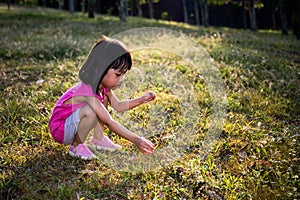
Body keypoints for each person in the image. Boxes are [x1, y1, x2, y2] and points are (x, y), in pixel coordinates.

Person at [49, 36, 156, 160]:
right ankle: (76, 146)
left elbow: (119, 106)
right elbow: (109, 121)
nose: (121, 80)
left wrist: (141, 99)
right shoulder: (87, 92)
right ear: (99, 70)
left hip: (71, 124)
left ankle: (98, 138)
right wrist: (136, 140)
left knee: (103, 100)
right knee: (91, 111)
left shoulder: (104, 88)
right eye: (118, 75)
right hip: (60, 130)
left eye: (123, 75)